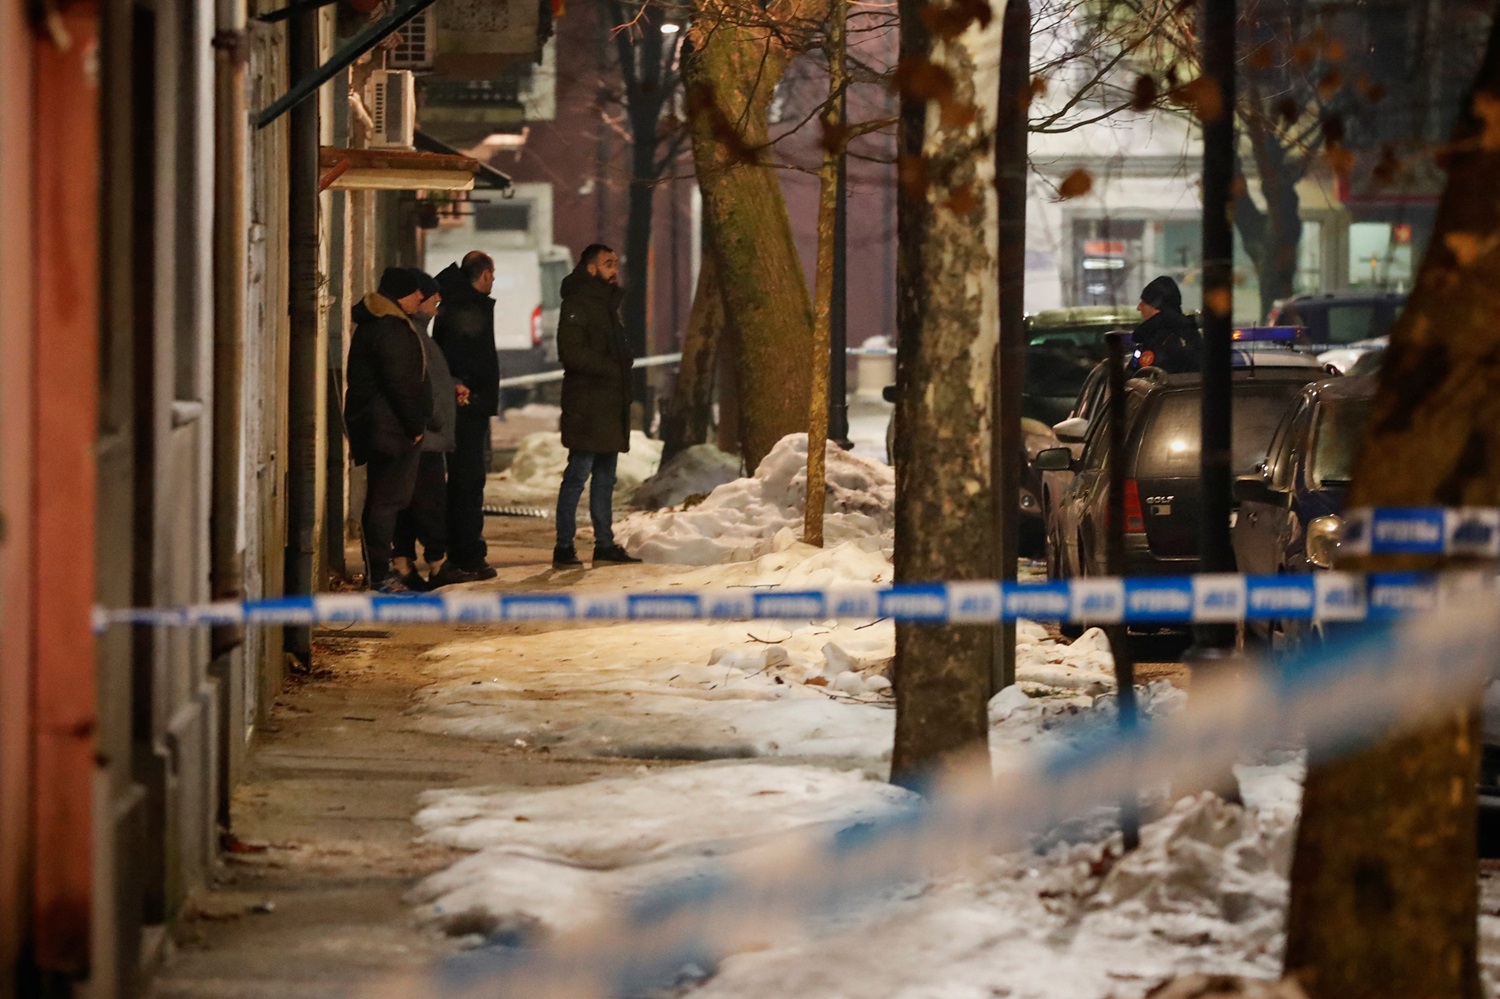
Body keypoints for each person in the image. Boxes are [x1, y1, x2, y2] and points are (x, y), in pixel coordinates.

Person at [344, 266, 433, 592]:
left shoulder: (381, 324)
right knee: (386, 501)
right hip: (391, 429)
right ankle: (380, 573)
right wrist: (414, 426)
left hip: (382, 426)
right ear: (400, 294)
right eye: (415, 291)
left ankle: (379, 570)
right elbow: (402, 384)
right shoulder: (390, 328)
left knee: (383, 500)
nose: (421, 297)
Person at [552, 244, 641, 569]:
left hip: (607, 405)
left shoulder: (607, 304)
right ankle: (564, 546)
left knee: (605, 478)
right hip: (588, 405)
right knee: (578, 475)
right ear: (591, 268)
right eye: (607, 263)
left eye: (616, 262)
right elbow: (571, 351)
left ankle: (604, 543)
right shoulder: (578, 303)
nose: (614, 269)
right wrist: (611, 367)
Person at [392, 270, 477, 591]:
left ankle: (404, 562)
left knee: (411, 501)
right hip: (422, 435)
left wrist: (450, 387)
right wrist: (428, 421)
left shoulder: (418, 334)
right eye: (432, 295)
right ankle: (436, 562)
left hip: (425, 432)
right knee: (428, 501)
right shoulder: (410, 335)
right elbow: (410, 386)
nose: (438, 300)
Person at [433, 251, 500, 581]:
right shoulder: (467, 308)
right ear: (484, 275)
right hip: (467, 407)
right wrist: (466, 390)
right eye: (493, 275)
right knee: (468, 482)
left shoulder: (456, 303)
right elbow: (465, 357)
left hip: (467, 403)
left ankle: (463, 550)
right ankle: (467, 553)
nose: (493, 281)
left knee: (465, 481)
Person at [1131, 275, 1202, 374]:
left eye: (1143, 303)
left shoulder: (1164, 340)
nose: (1139, 308)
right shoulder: (1188, 335)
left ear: (1156, 307)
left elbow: (1144, 378)